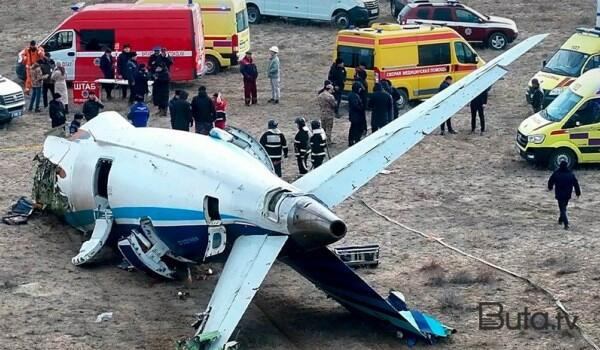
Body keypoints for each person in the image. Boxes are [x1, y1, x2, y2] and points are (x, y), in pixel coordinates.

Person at [548, 161, 581, 230]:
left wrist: (550, 187)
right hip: (567, 194)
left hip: (559, 194)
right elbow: (576, 184)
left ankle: (566, 223)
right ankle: (560, 220)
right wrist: (578, 193)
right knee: (563, 207)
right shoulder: (571, 174)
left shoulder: (556, 173)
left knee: (562, 208)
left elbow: (550, 181)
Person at [348, 81, 366, 146]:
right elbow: (355, 106)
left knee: (353, 128)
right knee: (355, 128)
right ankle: (355, 139)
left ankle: (352, 140)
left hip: (354, 115)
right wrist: (361, 107)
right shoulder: (354, 96)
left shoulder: (353, 94)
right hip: (356, 115)